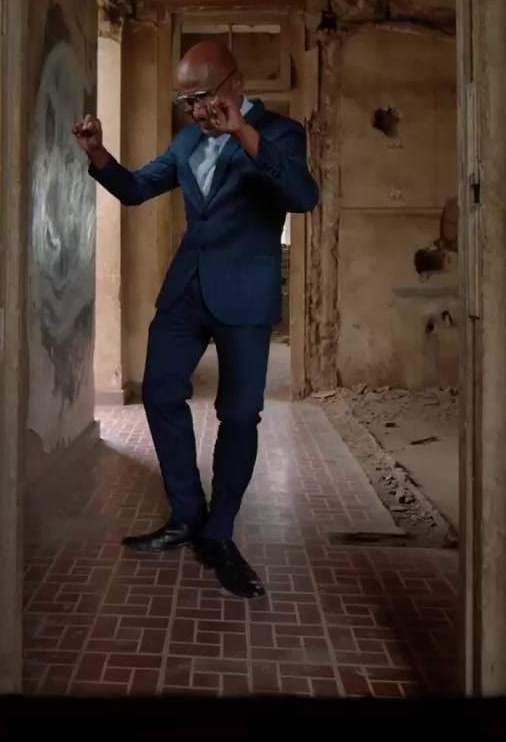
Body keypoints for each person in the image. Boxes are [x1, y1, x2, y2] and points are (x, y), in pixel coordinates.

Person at [71, 39, 321, 598]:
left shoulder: (279, 133)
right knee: (160, 392)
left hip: (245, 295)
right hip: (186, 290)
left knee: (240, 414)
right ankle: (187, 515)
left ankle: (220, 533)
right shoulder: (186, 141)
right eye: (187, 101)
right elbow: (136, 189)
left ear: (235, 83)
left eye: (205, 97)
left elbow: (302, 197)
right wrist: (98, 153)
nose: (198, 111)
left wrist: (244, 132)